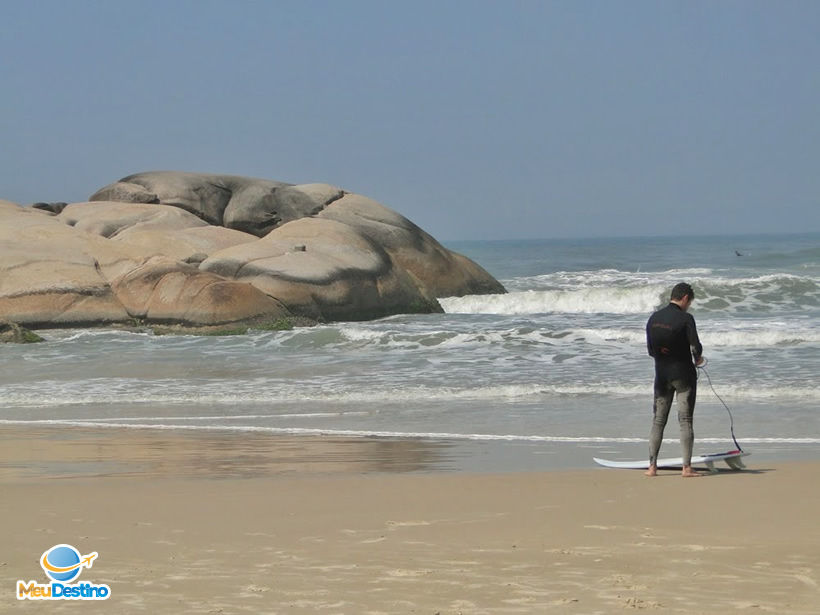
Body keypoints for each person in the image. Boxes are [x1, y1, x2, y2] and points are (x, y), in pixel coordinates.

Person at [645, 282, 704, 477]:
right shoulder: (686, 318)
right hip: (683, 376)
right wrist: (699, 360)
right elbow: (695, 347)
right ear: (685, 298)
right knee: (685, 420)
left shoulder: (653, 318)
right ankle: (686, 468)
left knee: (658, 420)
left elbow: (651, 351)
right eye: (690, 302)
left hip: (661, 376)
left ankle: (652, 467)